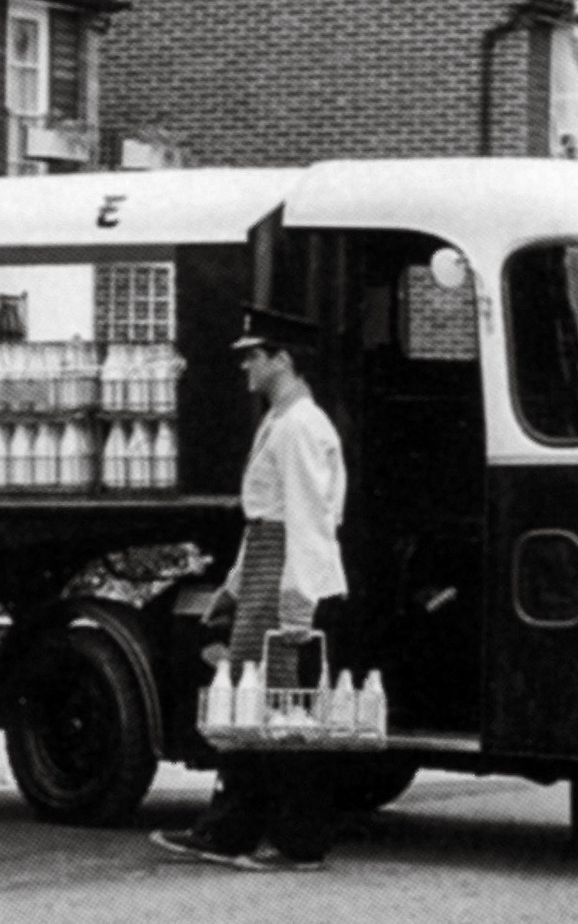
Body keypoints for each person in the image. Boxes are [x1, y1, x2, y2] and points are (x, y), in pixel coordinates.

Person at [151, 305, 349, 872]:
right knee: (252, 699)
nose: (244, 367)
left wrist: (297, 600)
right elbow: (268, 518)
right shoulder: (282, 421)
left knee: (285, 707)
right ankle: (231, 829)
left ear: (281, 360)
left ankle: (295, 842)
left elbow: (310, 518)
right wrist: (238, 583)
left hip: (288, 569)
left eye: (253, 357)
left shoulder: (299, 427)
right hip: (269, 561)